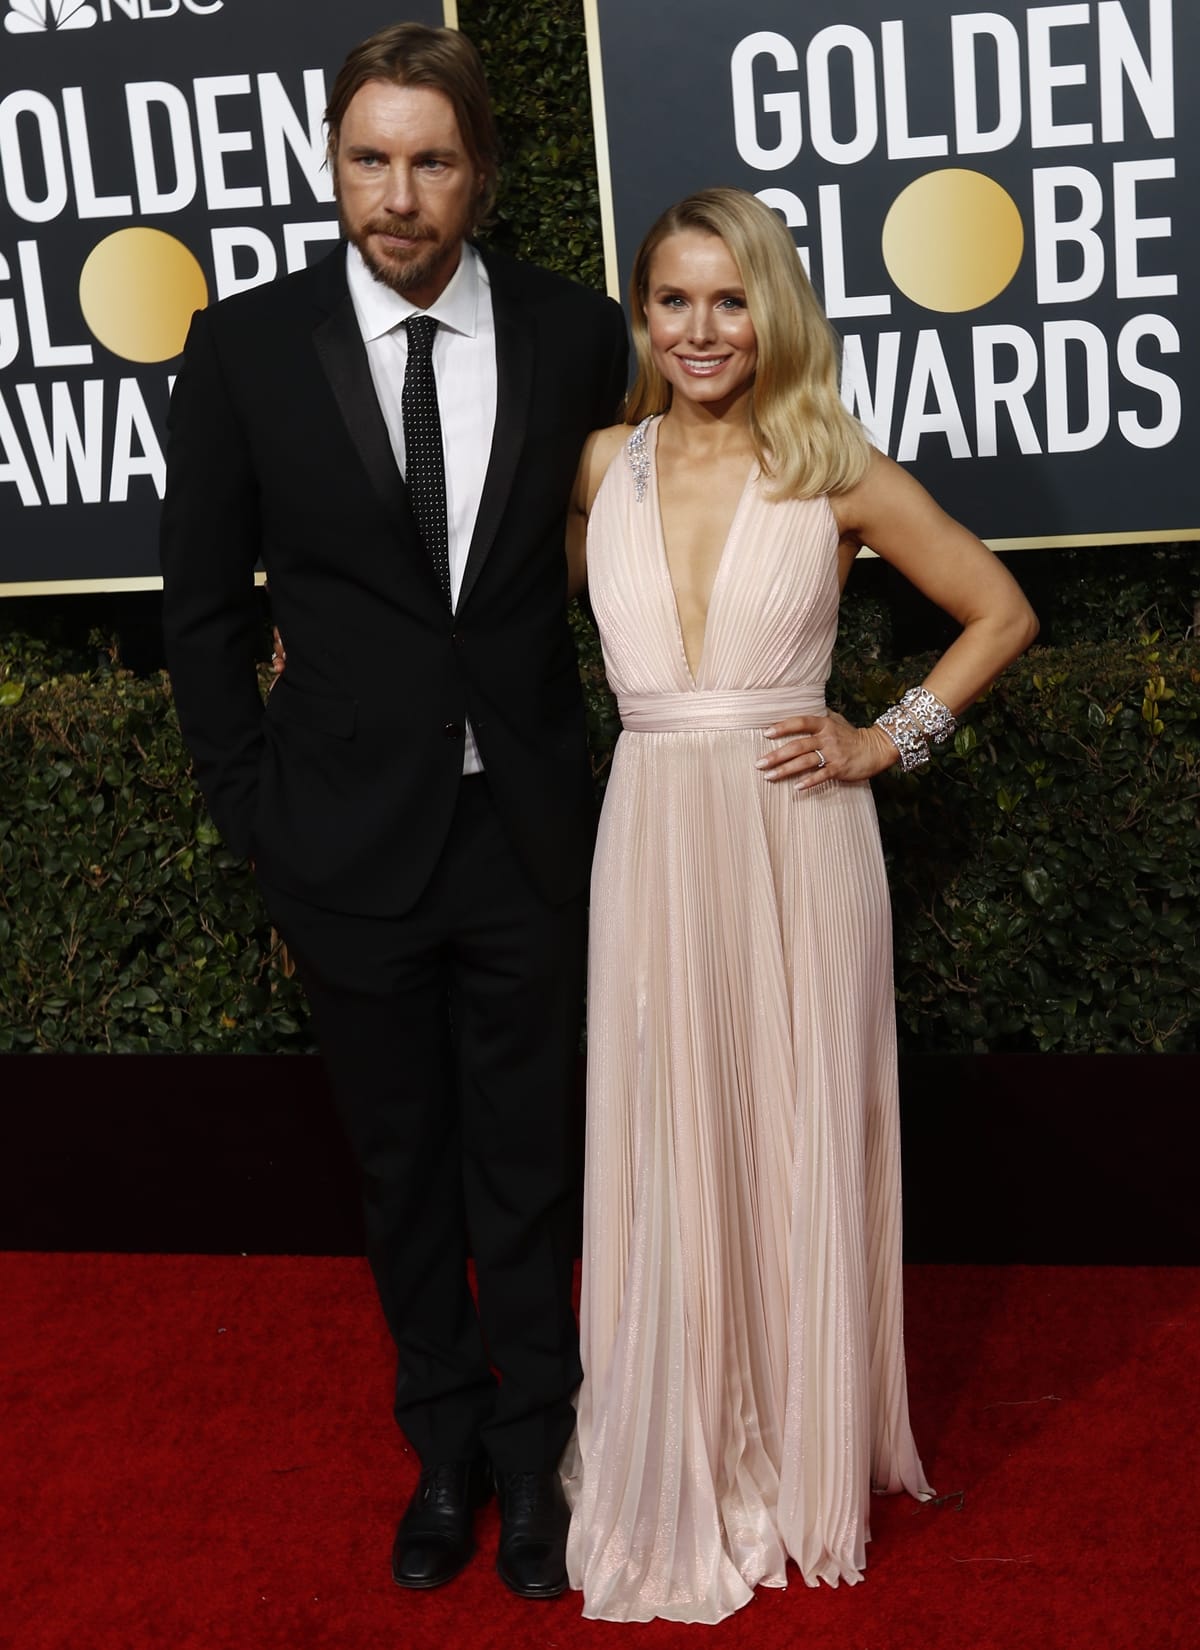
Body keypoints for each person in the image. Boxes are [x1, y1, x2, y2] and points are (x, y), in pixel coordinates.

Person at [159, 22, 627, 1602]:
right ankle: (442, 1448)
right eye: (371, 158)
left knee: (532, 1163)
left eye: (432, 160)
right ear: (333, 163)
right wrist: (256, 818)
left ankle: (538, 1453)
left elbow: (671, 505)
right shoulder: (244, 347)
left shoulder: (575, 334)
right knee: (403, 1161)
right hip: (342, 843)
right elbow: (205, 612)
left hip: (530, 837)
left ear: (481, 169)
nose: (399, 194)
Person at [561, 187, 1038, 1623]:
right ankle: (686, 1431)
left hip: (795, 838)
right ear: (643, 317)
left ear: (773, 308)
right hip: (649, 833)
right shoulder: (597, 465)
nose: (702, 329)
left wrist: (885, 739)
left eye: (730, 298)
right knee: (666, 1135)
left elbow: (1001, 611)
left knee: (790, 1129)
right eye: (674, 301)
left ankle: (795, 1438)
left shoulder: (835, 468)